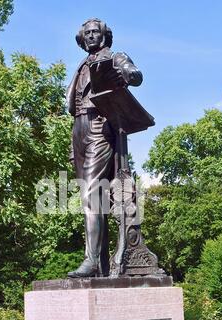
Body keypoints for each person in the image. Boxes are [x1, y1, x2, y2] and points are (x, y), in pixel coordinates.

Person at [67, 18, 142, 278]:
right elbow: (74, 106)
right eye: (86, 33)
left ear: (104, 36)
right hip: (79, 129)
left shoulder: (114, 57)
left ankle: (92, 262)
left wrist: (129, 74)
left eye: (95, 32)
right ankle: (101, 265)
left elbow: (133, 73)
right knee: (91, 198)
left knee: (92, 194)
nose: (90, 36)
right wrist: (72, 143)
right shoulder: (81, 65)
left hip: (100, 126)